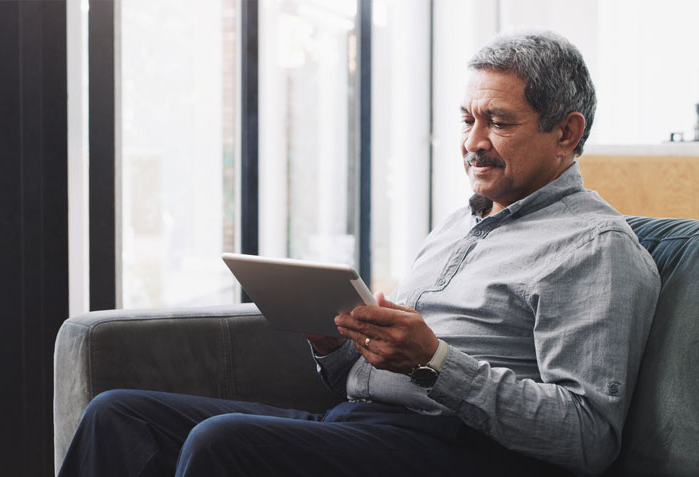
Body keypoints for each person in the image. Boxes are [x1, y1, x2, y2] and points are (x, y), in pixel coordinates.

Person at [58, 31, 659, 477]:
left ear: (567, 132)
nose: (472, 143)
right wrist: (335, 344)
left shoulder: (594, 249)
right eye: (467, 119)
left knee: (223, 443)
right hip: (363, 428)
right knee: (119, 415)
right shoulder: (462, 223)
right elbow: (366, 381)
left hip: (459, 449)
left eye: (498, 122)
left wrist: (436, 361)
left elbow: (587, 436)